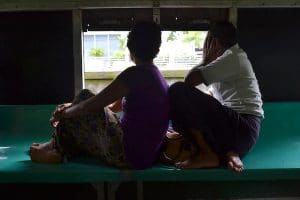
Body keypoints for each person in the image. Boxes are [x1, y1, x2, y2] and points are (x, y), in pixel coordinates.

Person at [29, 21, 169, 170]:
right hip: (143, 157)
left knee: (85, 95)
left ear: (130, 46)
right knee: (78, 108)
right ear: (156, 49)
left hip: (127, 154)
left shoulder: (135, 75)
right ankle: (54, 147)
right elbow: (113, 107)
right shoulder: (156, 76)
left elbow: (91, 105)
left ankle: (55, 150)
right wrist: (71, 107)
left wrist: (63, 114)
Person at [169, 21, 264, 172]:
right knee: (188, 107)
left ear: (214, 42)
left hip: (243, 128)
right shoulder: (230, 58)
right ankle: (228, 153)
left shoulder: (232, 58)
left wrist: (205, 61)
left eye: (208, 41)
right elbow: (212, 97)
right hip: (237, 131)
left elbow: (189, 82)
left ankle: (208, 154)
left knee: (176, 90)